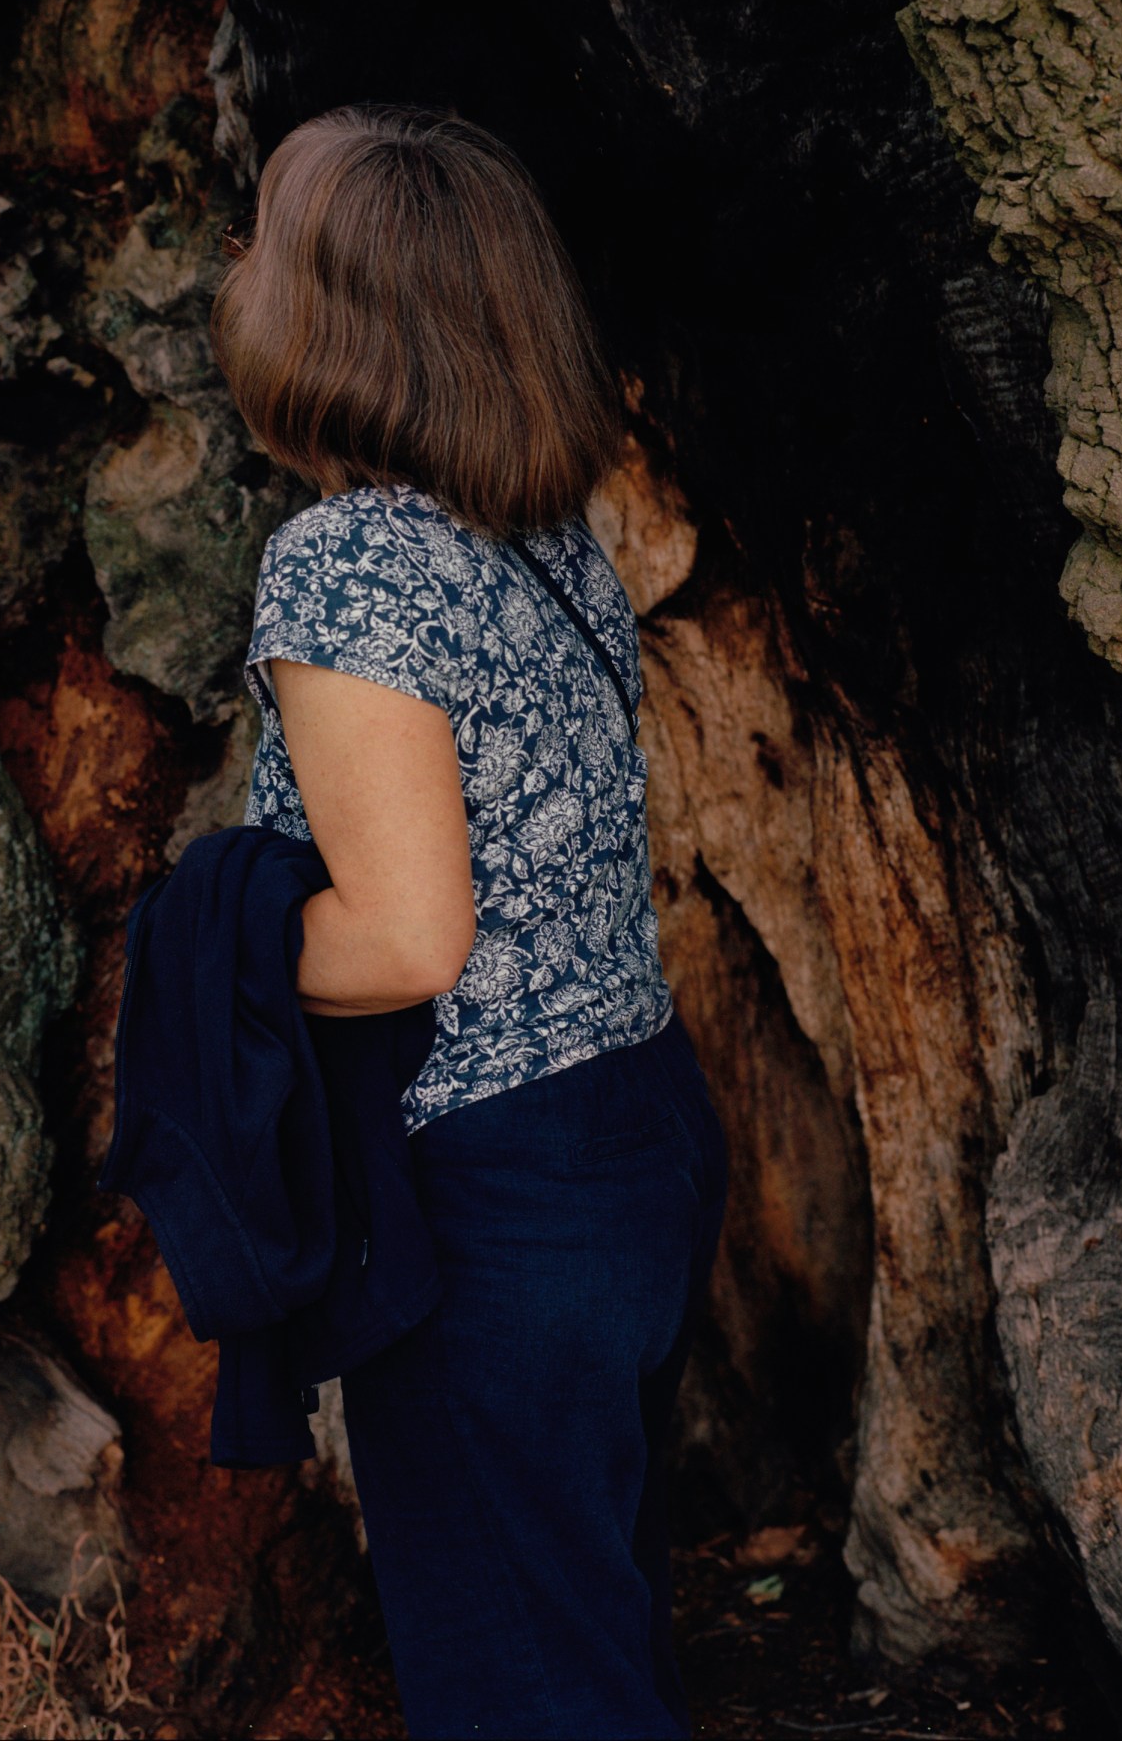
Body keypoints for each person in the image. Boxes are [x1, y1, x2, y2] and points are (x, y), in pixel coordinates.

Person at [211, 102, 729, 1741]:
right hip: (636, 1139)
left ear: (326, 317)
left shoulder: (347, 565)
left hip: (489, 1201)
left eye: (263, 246)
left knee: (527, 1688)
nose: (237, 272)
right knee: (597, 1640)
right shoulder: (544, 540)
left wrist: (204, 961)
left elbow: (413, 940)